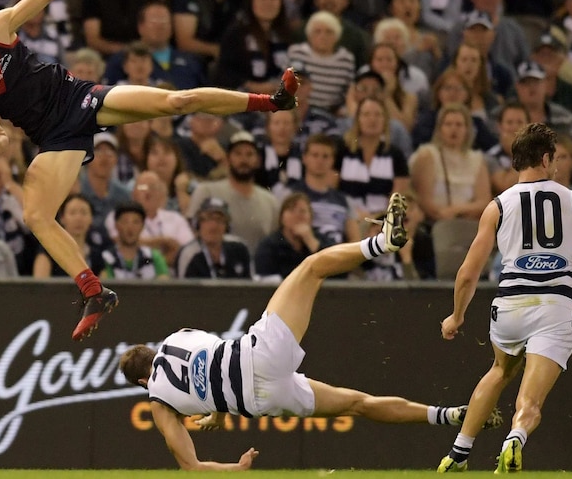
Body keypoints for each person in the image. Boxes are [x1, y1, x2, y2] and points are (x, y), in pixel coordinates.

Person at [0, 0, 300, 341]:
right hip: (55, 138)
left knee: (175, 102)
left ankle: (271, 102)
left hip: (80, 98)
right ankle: (94, 291)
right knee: (36, 215)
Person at [119, 193, 500, 470]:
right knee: (312, 266)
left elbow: (192, 466)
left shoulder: (158, 402)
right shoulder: (175, 338)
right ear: (152, 352)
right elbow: (214, 358)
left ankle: (450, 416)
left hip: (263, 401)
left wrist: (234, 468)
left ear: (141, 380)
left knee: (358, 404)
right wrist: (217, 405)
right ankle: (384, 242)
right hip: (259, 356)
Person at [436, 123, 572, 473]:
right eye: (555, 158)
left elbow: (468, 273)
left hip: (510, 306)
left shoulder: (497, 206)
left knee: (499, 370)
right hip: (555, 307)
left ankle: (458, 453)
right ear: (546, 159)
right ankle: (515, 438)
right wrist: (569, 285)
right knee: (530, 400)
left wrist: (456, 316)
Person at [175, 196, 251, 279]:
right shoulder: (189, 254)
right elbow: (183, 290)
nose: (213, 226)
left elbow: (251, 287)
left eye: (219, 220)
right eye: (208, 219)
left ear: (227, 226)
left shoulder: (240, 249)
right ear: (198, 223)